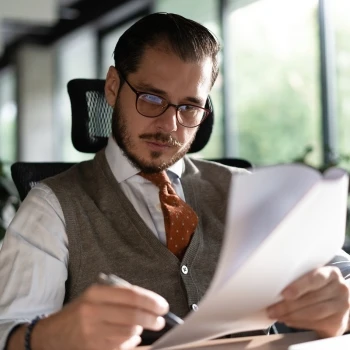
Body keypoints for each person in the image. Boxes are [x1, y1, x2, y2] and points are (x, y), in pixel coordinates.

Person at [1, 12, 350, 350]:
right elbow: (8, 333)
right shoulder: (53, 206)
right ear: (112, 86)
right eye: (152, 98)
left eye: (189, 107)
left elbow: (340, 273)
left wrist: (339, 304)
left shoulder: (245, 189)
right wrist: (55, 336)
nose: (169, 126)